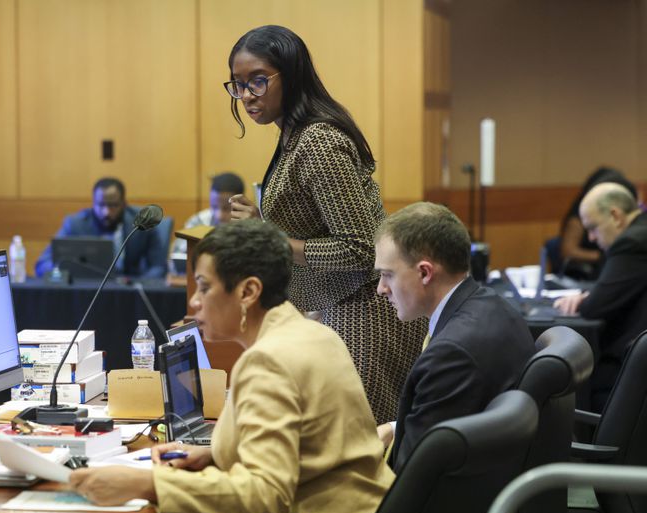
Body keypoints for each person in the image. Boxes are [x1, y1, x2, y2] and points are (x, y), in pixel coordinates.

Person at [69, 220, 393, 513]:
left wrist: (150, 483)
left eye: (205, 287)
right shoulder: (317, 335)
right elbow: (310, 450)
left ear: (248, 292)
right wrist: (215, 455)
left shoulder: (268, 360)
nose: (194, 301)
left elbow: (265, 497)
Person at [225, 24, 426, 423]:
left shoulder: (318, 141)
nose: (246, 95)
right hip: (345, 303)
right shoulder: (295, 135)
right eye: (237, 84)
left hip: (367, 309)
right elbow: (316, 228)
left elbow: (359, 249)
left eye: (258, 81)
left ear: (292, 75)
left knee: (359, 444)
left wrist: (271, 236)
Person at [373, 202, 534, 471]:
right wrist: (394, 428)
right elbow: (463, 416)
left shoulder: (453, 353)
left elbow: (414, 471)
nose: (381, 289)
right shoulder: (492, 305)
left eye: (387, 275)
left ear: (425, 272)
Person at [554, 182, 647, 411]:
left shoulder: (632, 242)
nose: (591, 238)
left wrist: (587, 299)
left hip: (630, 371)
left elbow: (594, 307)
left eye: (593, 228)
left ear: (616, 216)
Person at [34, 177, 168, 279]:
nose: (106, 212)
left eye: (113, 205)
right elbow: (42, 264)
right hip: (86, 291)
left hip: (129, 292)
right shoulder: (75, 224)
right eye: (101, 205)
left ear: (124, 204)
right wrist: (63, 272)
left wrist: (139, 284)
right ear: (93, 203)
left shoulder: (141, 224)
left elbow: (159, 267)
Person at [556, 166, 638, 279]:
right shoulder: (585, 211)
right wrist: (602, 256)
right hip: (588, 272)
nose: (591, 237)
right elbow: (568, 250)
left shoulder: (630, 220)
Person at [170, 172, 245, 256]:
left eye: (227, 208)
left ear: (241, 204)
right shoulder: (198, 221)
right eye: (214, 207)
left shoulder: (248, 226)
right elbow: (177, 256)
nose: (219, 215)